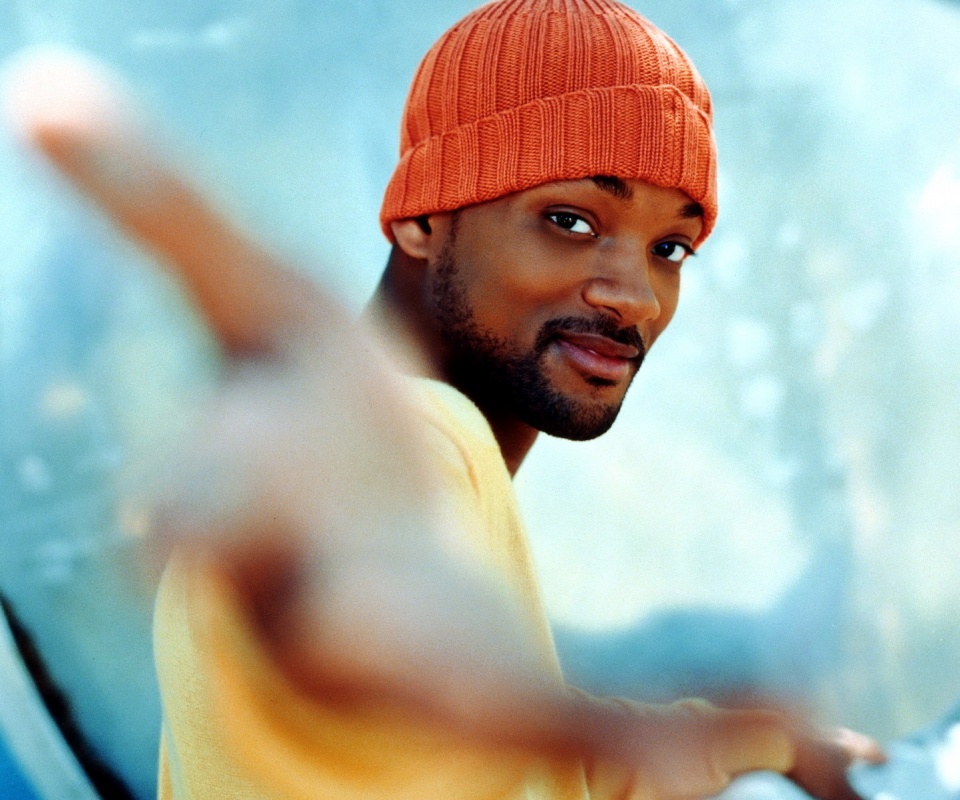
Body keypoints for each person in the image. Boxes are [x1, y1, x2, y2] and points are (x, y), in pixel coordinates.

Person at [2, 0, 885, 798]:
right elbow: (402, 641)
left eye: (671, 248)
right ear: (424, 218)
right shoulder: (420, 448)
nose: (637, 297)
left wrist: (749, 742)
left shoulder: (434, 477)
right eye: (571, 220)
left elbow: (523, 768)